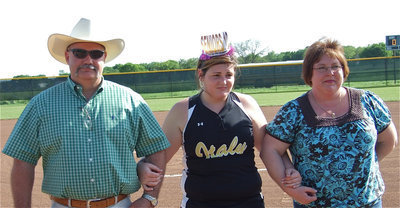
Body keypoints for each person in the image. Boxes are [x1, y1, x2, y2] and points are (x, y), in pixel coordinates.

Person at [2, 18, 170, 208]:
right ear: (68, 56)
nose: (88, 60)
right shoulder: (41, 104)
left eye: (96, 53)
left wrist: (149, 198)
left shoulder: (131, 100)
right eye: (79, 53)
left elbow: (156, 147)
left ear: (104, 57)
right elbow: (23, 160)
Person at [138, 32, 302, 208]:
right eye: (216, 75)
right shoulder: (182, 110)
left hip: (249, 202)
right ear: (201, 75)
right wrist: (141, 168)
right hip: (199, 204)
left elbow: (270, 149)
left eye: (228, 75)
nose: (224, 81)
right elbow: (160, 157)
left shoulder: (246, 104)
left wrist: (288, 168)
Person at [260, 38, 398, 207]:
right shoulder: (294, 111)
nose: (330, 72)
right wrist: (290, 189)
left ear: (344, 71)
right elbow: (270, 149)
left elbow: (389, 140)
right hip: (314, 203)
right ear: (309, 73)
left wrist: (364, 165)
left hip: (367, 202)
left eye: (335, 66)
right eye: (321, 68)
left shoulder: (368, 101)